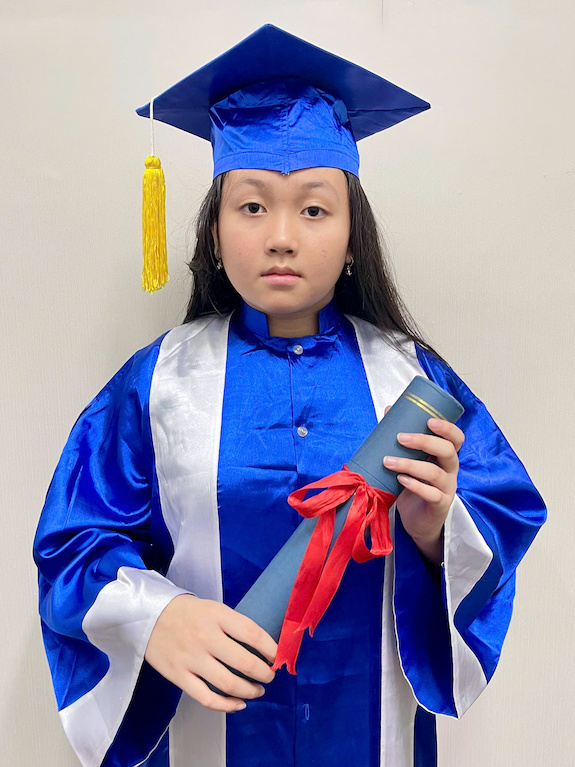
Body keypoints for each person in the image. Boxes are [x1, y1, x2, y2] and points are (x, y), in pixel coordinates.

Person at [33, 24, 546, 767]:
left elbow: (503, 515)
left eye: (313, 209)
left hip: (371, 737)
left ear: (351, 236)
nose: (281, 236)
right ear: (213, 232)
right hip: (209, 734)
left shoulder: (412, 381)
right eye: (251, 207)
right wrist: (157, 617)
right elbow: (74, 543)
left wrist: (436, 531)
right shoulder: (158, 383)